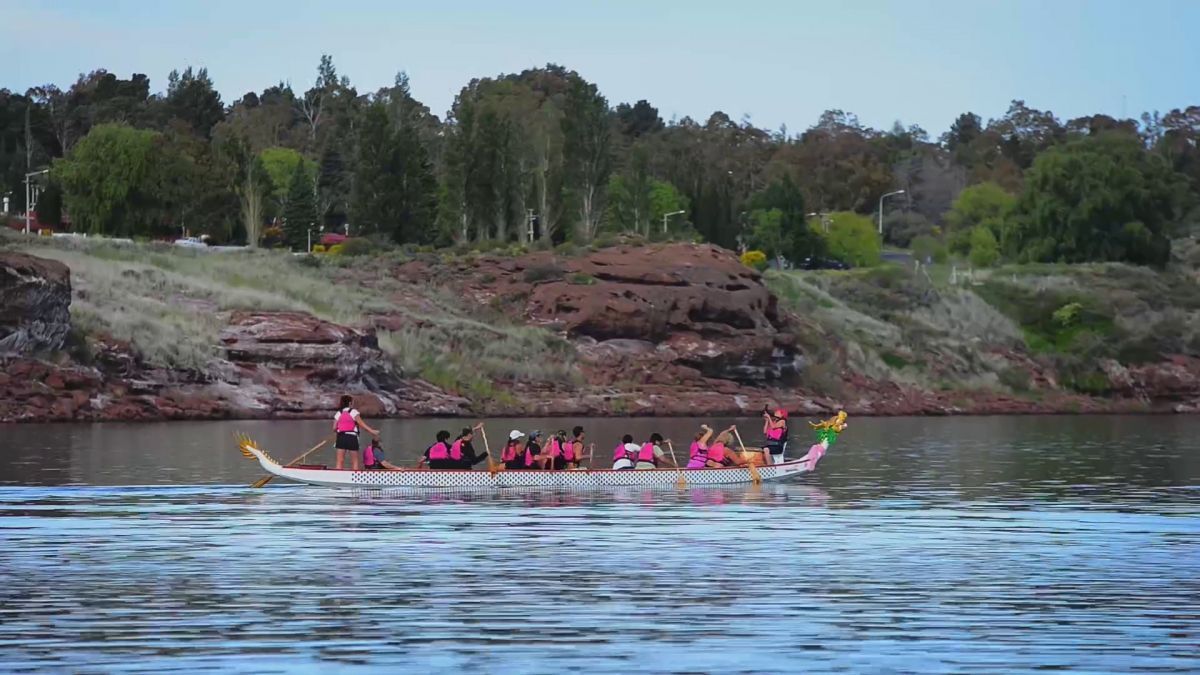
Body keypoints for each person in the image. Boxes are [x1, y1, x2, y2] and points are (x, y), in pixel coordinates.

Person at [333, 395, 380, 470]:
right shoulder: (354, 412)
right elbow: (362, 424)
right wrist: (372, 431)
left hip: (341, 437)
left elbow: (334, 428)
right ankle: (354, 477)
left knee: (340, 461)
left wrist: (340, 429)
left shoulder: (338, 413)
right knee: (354, 461)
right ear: (350, 403)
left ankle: (337, 477)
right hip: (352, 437)